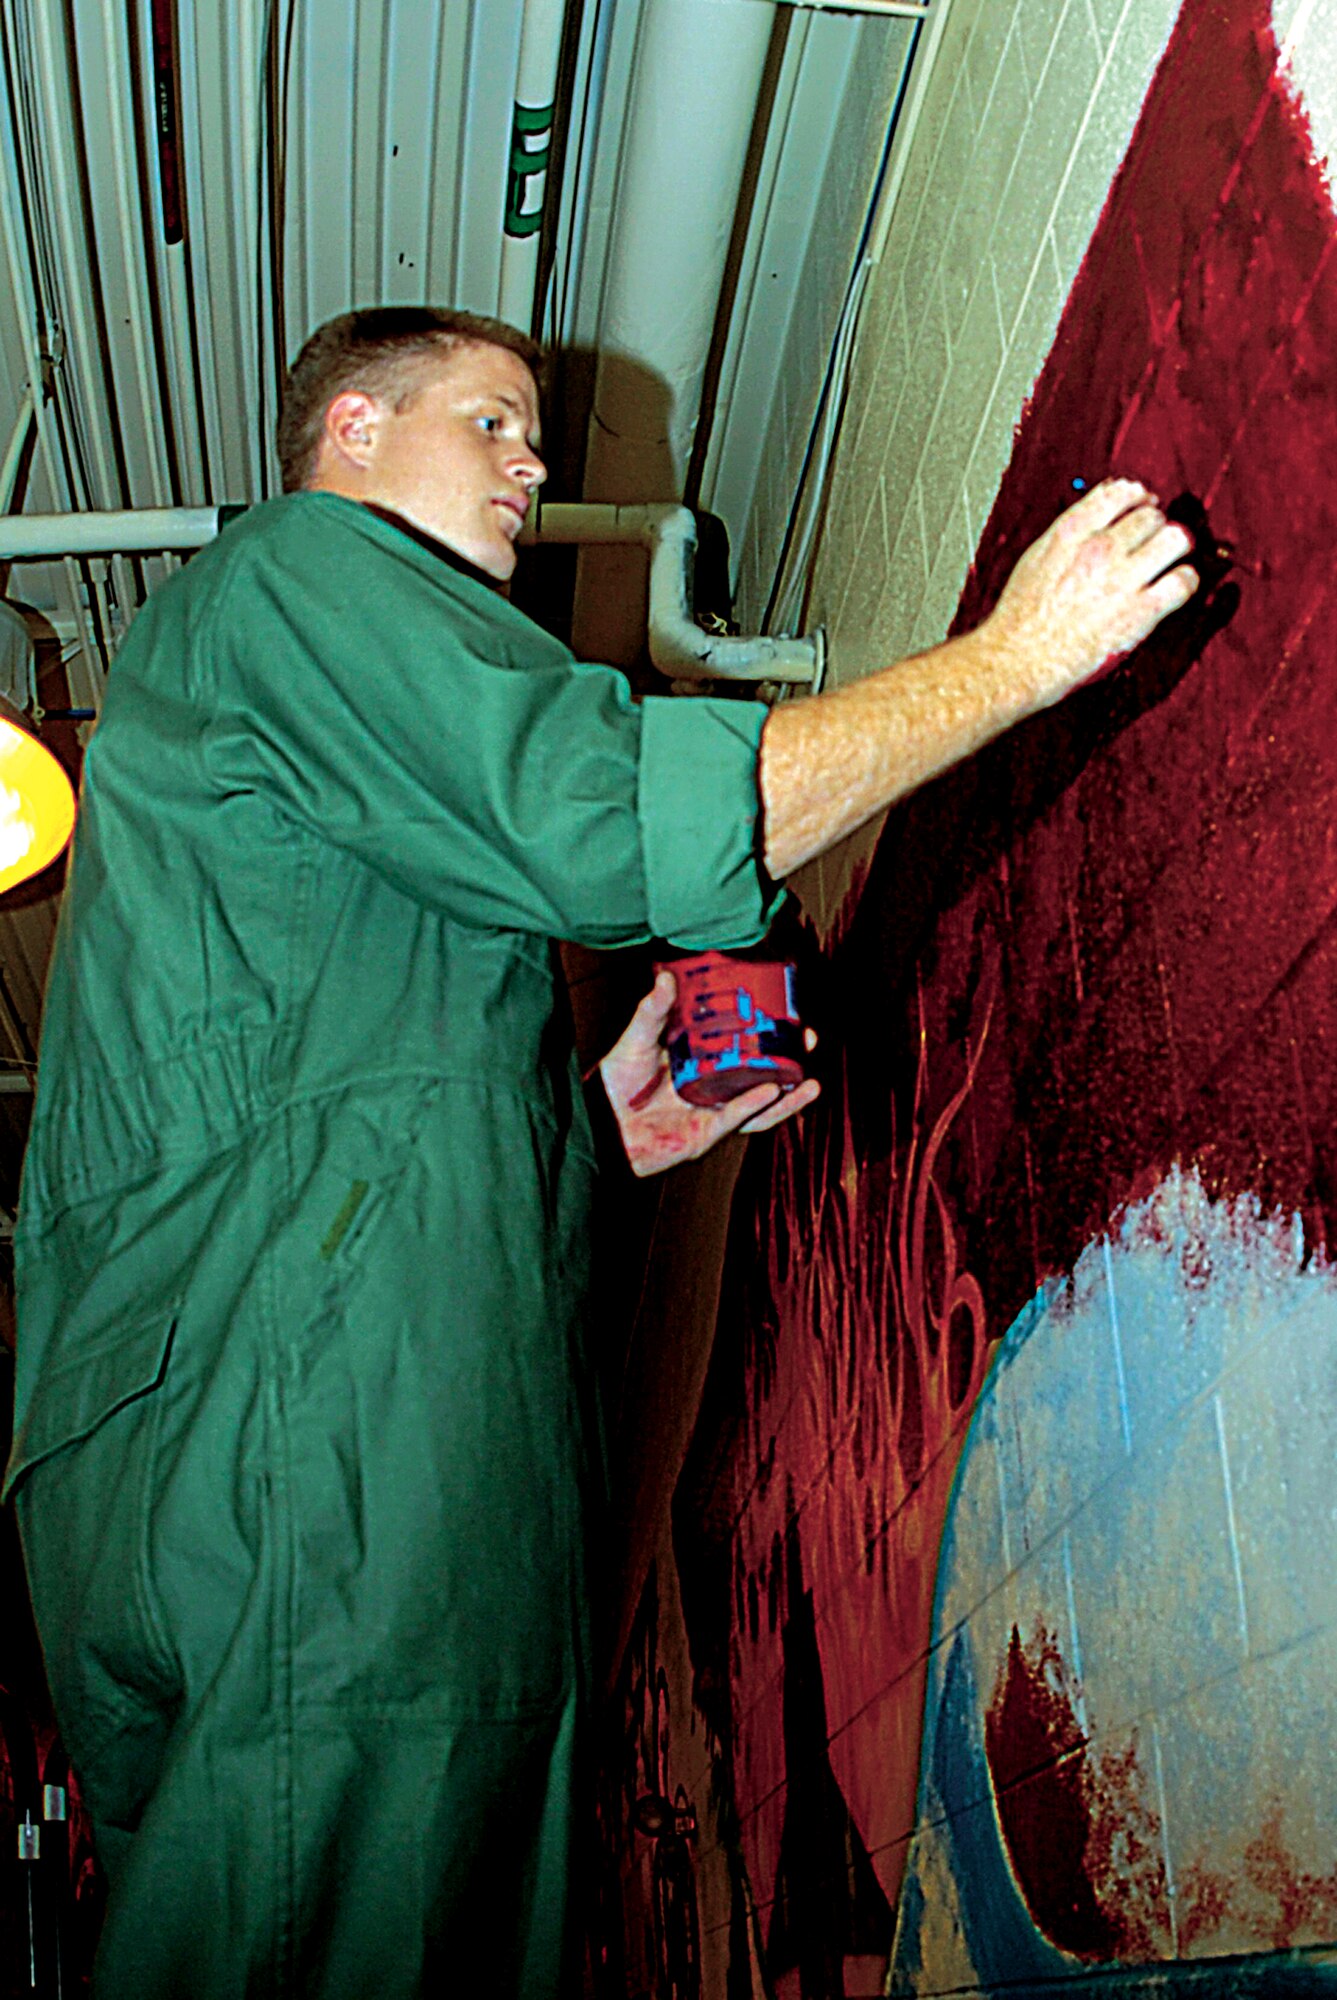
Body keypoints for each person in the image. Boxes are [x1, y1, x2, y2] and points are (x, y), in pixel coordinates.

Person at [2, 307, 1196, 1997]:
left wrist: (607, 1126)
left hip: (268, 1433)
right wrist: (1016, 656)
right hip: (306, 1440)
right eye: (488, 419)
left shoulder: (302, 738)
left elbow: (350, 1094)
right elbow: (597, 821)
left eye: (533, 430)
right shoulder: (299, 570)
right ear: (350, 428)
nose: (535, 462)